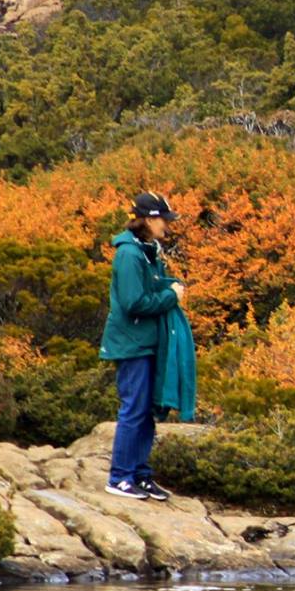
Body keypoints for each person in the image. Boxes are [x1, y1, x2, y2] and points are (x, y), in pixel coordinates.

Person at [99, 191, 186, 502]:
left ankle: (140, 474)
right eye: (164, 219)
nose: (167, 226)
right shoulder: (129, 255)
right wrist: (171, 297)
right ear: (149, 220)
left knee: (146, 411)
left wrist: (167, 286)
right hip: (131, 344)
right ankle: (120, 477)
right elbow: (134, 303)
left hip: (145, 342)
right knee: (134, 410)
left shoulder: (147, 251)